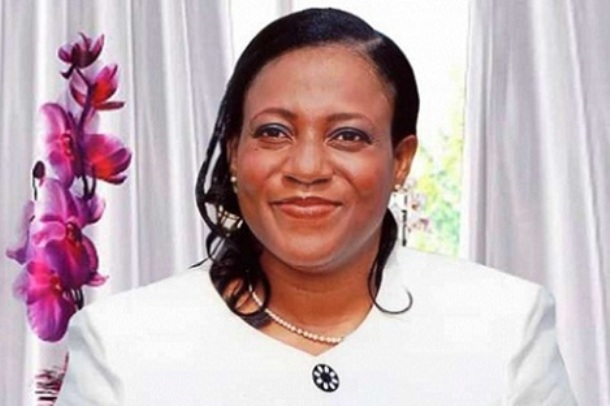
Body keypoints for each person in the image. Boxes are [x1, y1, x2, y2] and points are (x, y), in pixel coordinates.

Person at [56, 8, 576, 405]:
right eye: (274, 132)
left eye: (347, 135)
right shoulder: (121, 345)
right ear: (234, 153)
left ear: (400, 160)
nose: (306, 168)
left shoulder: (507, 326)